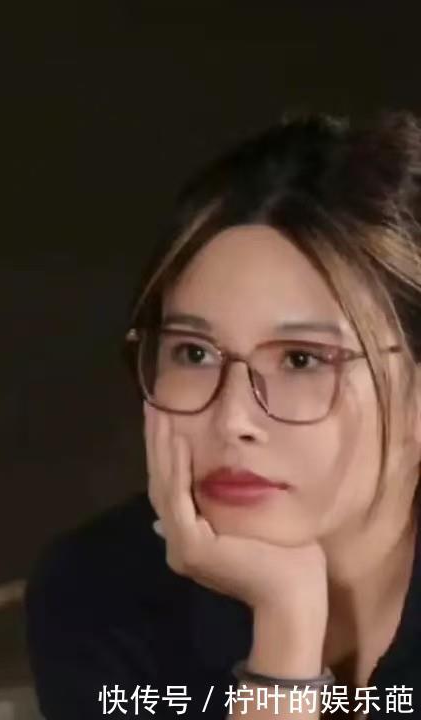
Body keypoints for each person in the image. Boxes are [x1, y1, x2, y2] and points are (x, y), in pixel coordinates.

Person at [26, 112, 421, 719]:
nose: (232, 417)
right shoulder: (102, 590)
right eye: (194, 353)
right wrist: (286, 627)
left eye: (301, 359)